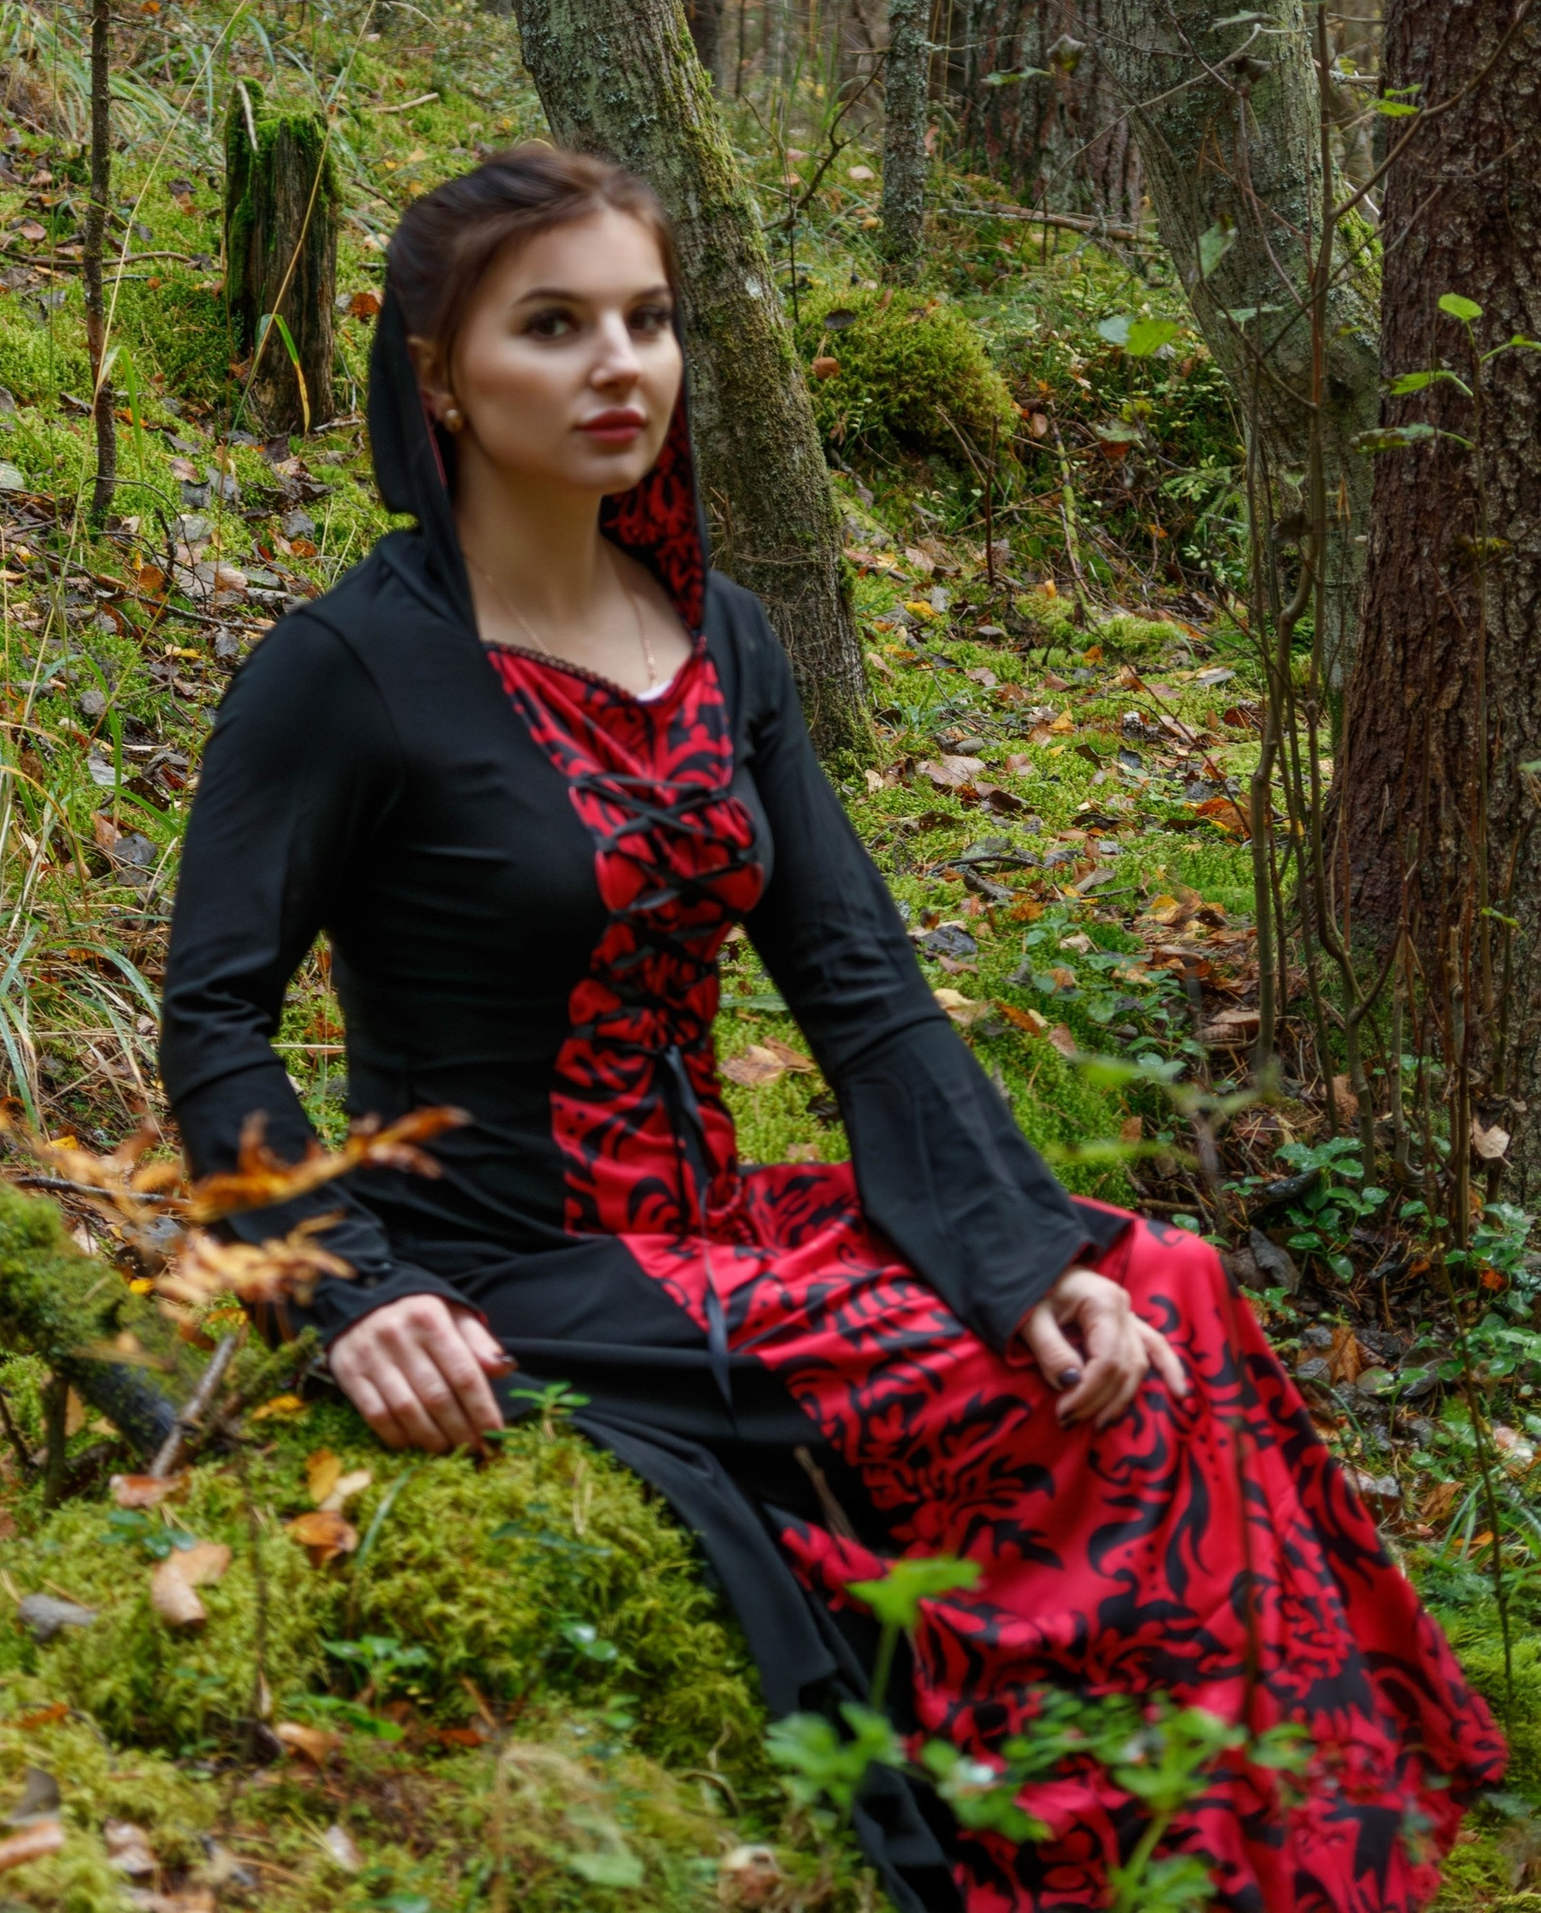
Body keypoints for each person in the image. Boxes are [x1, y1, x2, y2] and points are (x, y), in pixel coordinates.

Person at [162, 144, 1501, 1911]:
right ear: (440, 379)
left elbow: (856, 980)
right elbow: (216, 1019)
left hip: (713, 1224)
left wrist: (1018, 1249)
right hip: (511, 1259)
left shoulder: (724, 637)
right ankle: (1087, 1850)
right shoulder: (343, 671)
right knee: (1004, 1389)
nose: (620, 364)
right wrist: (351, 1288)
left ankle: (1288, 1856)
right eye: (553, 326)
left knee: (1159, 1286)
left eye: (648, 319)